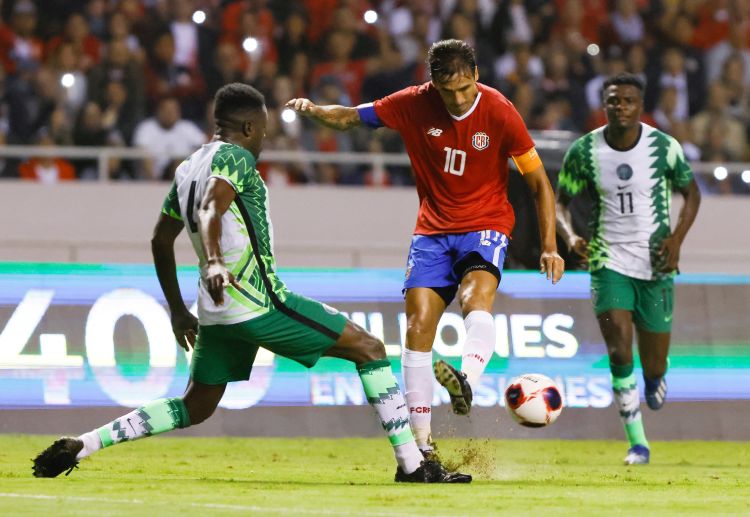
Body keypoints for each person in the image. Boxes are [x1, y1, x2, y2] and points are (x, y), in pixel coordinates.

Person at [31, 83, 469, 484]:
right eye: (262, 131)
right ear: (246, 126)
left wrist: (179, 310)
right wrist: (216, 264)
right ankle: (413, 464)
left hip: (214, 314)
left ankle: (84, 445)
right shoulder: (235, 158)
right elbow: (209, 211)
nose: (264, 140)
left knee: (194, 406)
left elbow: (160, 241)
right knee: (369, 349)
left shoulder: (188, 167)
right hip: (258, 303)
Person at [287, 39, 564, 459]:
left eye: (464, 89)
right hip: (432, 232)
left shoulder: (500, 111)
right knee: (416, 329)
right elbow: (351, 118)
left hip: (485, 224)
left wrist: (549, 246)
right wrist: (315, 110)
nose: (457, 99)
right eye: (447, 90)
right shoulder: (413, 103)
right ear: (432, 83)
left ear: (476, 77)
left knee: (475, 297)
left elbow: (539, 183)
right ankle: (422, 448)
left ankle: (465, 378)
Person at [555, 73, 701, 465]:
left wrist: (676, 240)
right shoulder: (584, 151)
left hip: (655, 264)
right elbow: (560, 203)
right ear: (604, 104)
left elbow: (691, 192)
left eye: (628, 101)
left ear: (641, 106)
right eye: (613, 101)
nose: (620, 107)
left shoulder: (663, 147)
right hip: (608, 260)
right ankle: (638, 442)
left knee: (652, 362)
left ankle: (655, 376)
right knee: (619, 344)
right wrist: (570, 238)